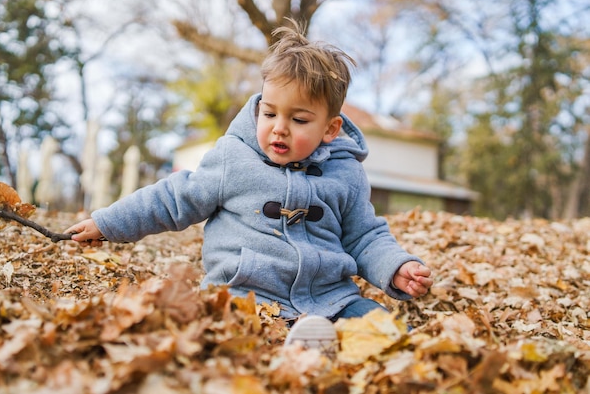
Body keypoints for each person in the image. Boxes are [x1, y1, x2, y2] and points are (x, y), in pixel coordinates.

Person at [65, 21, 433, 353]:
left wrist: (396, 266)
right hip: (244, 292)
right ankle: (298, 347)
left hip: (329, 296)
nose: (279, 127)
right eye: (270, 113)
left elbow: (365, 235)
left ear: (330, 129)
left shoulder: (346, 173)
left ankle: (336, 343)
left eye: (299, 119)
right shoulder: (233, 159)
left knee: (384, 329)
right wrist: (107, 223)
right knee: (234, 333)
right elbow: (173, 199)